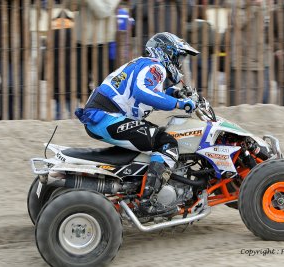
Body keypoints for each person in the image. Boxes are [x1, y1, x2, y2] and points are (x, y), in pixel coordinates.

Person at [75, 32, 199, 214]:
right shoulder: (156, 67)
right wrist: (178, 104)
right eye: (178, 57)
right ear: (166, 52)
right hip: (105, 116)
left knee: (150, 140)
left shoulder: (146, 65)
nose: (179, 63)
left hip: (102, 115)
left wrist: (174, 93)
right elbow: (142, 91)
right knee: (166, 143)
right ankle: (149, 202)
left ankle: (137, 189)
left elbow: (145, 89)